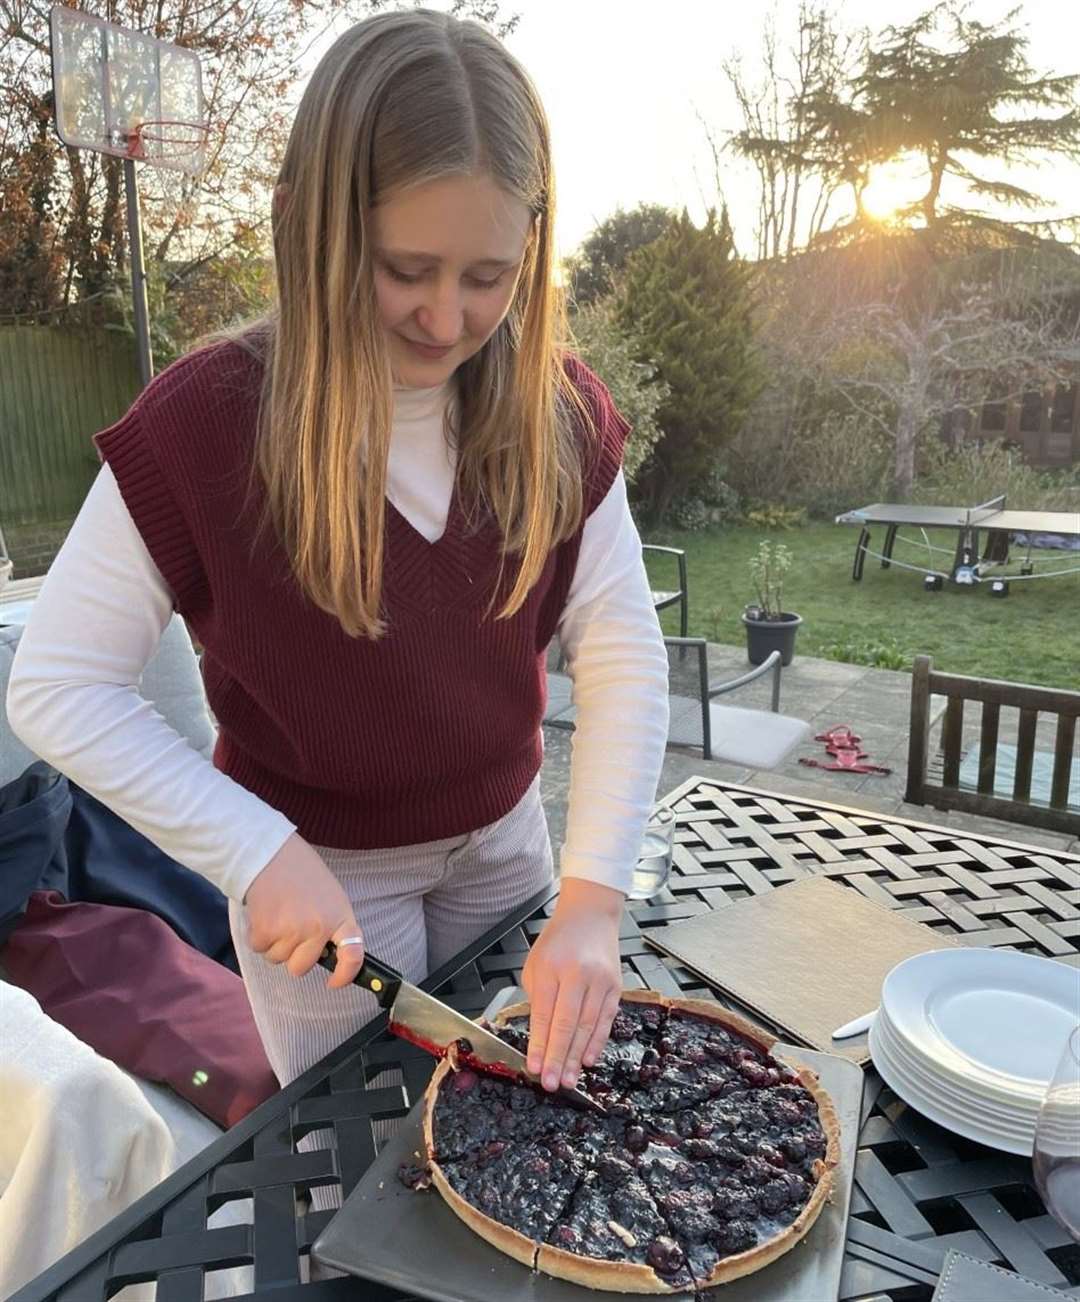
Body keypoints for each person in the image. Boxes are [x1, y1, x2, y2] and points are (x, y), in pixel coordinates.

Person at [7, 8, 668, 1111]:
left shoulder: (558, 414)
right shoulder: (203, 427)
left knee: (527, 1123)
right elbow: (59, 685)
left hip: (507, 846)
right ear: (311, 227)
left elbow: (622, 651)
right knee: (358, 1157)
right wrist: (251, 850)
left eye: (489, 276)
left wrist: (592, 900)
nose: (447, 318)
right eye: (405, 266)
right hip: (321, 887)